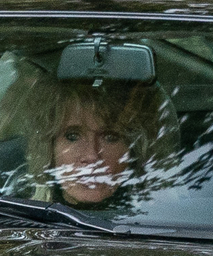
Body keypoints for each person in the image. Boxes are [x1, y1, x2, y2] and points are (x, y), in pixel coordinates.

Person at [30, 79, 157, 207]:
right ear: (49, 149)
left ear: (133, 151)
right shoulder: (15, 211)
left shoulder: (163, 219)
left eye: (110, 137)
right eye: (73, 136)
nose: (92, 156)